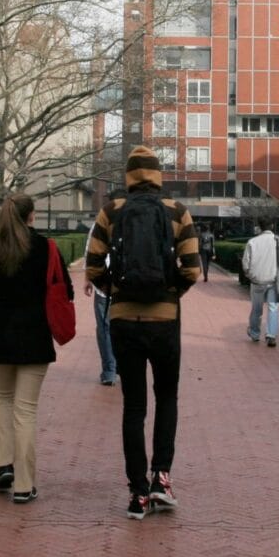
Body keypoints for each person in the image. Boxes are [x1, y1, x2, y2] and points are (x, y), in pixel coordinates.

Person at [86, 146, 200, 520]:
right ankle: (160, 480)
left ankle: (136, 493)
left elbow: (92, 267)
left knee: (134, 407)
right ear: (158, 175)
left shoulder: (111, 211)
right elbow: (191, 268)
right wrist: (171, 293)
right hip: (165, 321)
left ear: (129, 177)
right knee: (167, 398)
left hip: (123, 320)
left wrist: (116, 291)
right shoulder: (176, 212)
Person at [0, 192, 73, 504]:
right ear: (32, 216)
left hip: (0, 337)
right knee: (25, 409)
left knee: (3, 401)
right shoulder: (46, 247)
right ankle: (24, 485)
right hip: (35, 337)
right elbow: (65, 289)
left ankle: (4, 466)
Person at [241, 218, 279, 348]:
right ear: (272, 226)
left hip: (257, 281)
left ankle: (254, 333)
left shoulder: (252, 242)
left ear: (260, 227)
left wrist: (250, 275)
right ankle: (271, 335)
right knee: (273, 307)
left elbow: (246, 263)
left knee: (256, 309)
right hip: (274, 280)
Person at [83, 221, 118, 386]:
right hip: (129, 285)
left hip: (104, 283)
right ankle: (119, 367)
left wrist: (88, 278)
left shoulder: (101, 221)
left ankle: (110, 370)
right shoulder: (138, 217)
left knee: (105, 327)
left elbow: (91, 251)